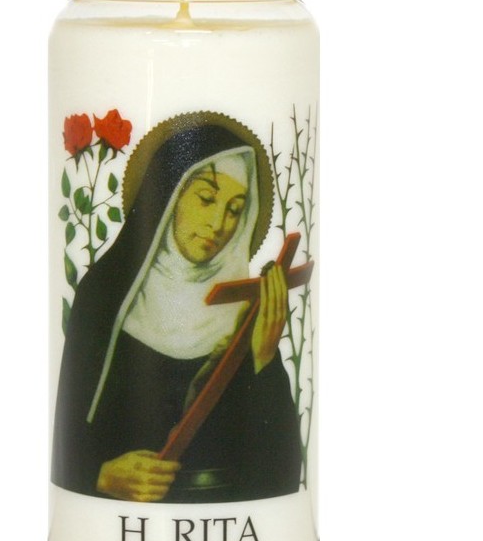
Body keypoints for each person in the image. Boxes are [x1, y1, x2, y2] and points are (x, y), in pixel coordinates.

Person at [52, 118, 301, 503]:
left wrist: (264, 359)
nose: (219, 224)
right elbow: (69, 448)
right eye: (206, 199)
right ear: (168, 195)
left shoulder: (245, 312)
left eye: (235, 209)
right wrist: (101, 476)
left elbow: (279, 471)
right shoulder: (104, 297)